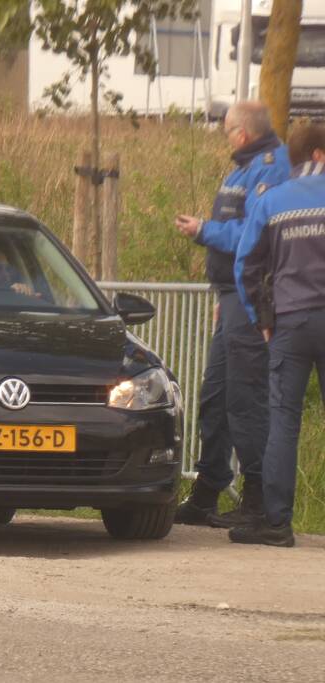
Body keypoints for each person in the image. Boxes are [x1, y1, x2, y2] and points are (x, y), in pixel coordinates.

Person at [173, 101, 291, 527]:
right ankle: (208, 490)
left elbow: (256, 233)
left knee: (245, 398)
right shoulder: (242, 168)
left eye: (226, 131)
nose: (225, 137)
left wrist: (204, 231)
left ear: (242, 133)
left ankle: (257, 497)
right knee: (216, 396)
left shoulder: (270, 168)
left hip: (249, 297)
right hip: (230, 297)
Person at [229, 122, 325, 547]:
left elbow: (245, 265)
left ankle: (277, 524)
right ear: (320, 155)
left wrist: (260, 318)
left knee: (283, 420)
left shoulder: (274, 202)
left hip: (291, 322)